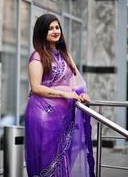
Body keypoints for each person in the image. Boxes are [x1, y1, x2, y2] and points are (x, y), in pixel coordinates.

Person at [25, 13, 95, 177]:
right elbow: (36, 88)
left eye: (57, 27)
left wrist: (82, 94)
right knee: (46, 162)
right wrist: (65, 95)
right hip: (42, 116)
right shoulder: (38, 56)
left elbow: (75, 83)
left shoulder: (64, 54)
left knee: (62, 160)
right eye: (50, 28)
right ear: (42, 32)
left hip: (63, 117)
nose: (55, 31)